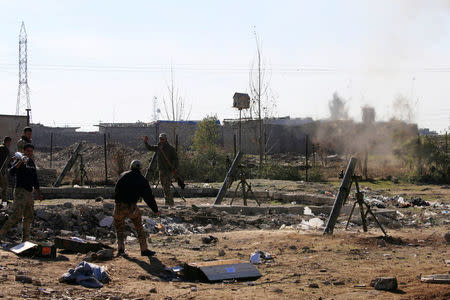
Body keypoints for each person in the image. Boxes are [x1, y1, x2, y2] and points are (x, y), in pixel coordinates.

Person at [114, 159, 160, 257]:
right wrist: (155, 210)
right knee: (139, 227)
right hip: (131, 207)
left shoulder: (123, 175)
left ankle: (121, 249)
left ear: (131, 167)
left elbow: (116, 190)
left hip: (119, 206)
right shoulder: (142, 179)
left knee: (119, 228)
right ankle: (144, 250)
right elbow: (148, 197)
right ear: (140, 168)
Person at [0, 144, 42, 242]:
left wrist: (38, 192)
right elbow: (11, 172)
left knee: (28, 216)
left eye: (31, 151)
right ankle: (2, 233)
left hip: (29, 192)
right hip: (20, 191)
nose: (30, 153)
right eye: (28, 151)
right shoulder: (19, 161)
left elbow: (35, 179)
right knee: (17, 215)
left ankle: (25, 239)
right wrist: (19, 162)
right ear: (24, 151)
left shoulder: (31, 162)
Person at [143, 133, 179, 206]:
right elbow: (150, 148)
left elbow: (176, 159)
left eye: (163, 139)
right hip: (161, 170)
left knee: (167, 187)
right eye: (160, 139)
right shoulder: (158, 147)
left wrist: (175, 168)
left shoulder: (170, 148)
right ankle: (168, 202)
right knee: (164, 186)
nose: (161, 140)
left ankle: (170, 202)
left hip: (168, 171)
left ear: (166, 139)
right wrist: (146, 142)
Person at [0, 137, 12, 205]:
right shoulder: (5, 149)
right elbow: (6, 162)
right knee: (4, 187)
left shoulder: (1, 147)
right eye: (10, 142)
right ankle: (4, 203)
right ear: (8, 142)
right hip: (2, 171)